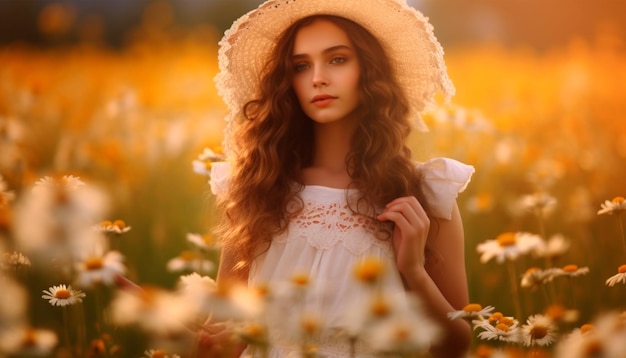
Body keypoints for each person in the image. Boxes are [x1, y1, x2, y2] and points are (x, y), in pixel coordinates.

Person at [201, 0, 474, 357]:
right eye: (301, 66)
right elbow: (224, 334)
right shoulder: (257, 187)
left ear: (370, 70)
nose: (317, 78)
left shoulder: (424, 193)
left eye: (337, 59)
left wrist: (413, 269)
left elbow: (455, 346)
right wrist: (209, 343)